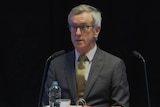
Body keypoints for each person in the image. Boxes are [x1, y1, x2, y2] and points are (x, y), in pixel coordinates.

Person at [42, 4, 130, 107]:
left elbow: (121, 105)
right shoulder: (56, 64)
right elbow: (47, 104)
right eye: (74, 27)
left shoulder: (114, 65)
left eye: (83, 27)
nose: (78, 33)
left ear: (96, 31)